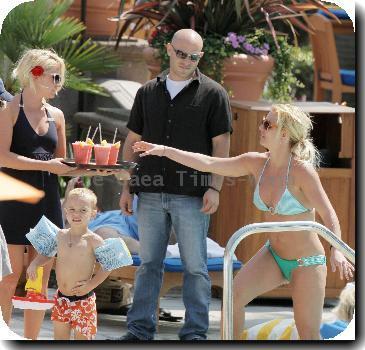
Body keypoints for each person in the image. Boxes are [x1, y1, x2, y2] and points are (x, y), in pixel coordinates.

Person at [131, 103, 354, 340]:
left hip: (306, 262)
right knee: (232, 297)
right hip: (274, 256)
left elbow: (329, 214)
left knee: (308, 334)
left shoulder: (302, 172)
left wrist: (336, 250)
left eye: (267, 124)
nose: (261, 127)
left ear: (285, 134)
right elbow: (208, 163)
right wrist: (165, 150)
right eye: (262, 121)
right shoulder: (256, 162)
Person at [117, 28, 232, 341]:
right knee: (148, 264)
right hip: (149, 191)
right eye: (181, 53)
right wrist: (128, 186)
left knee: (195, 267)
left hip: (193, 194)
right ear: (168, 50)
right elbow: (132, 140)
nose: (186, 61)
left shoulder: (213, 93)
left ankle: (195, 333)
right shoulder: (146, 92)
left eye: (193, 56)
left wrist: (215, 187)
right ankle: (139, 330)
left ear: (201, 57)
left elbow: (221, 145)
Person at [0, 49, 73, 339]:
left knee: (39, 282)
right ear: (34, 74)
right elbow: (2, 158)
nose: (59, 83)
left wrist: (94, 168)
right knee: (9, 278)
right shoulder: (9, 111)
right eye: (55, 77)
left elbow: (62, 164)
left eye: (60, 77)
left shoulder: (57, 115)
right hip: (13, 201)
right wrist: (46, 164)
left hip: (48, 203)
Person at [26, 188, 132, 340]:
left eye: (83, 210)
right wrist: (35, 263)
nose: (76, 214)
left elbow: (108, 265)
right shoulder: (60, 235)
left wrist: (91, 285)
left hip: (83, 300)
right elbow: (46, 253)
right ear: (66, 211)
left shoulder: (93, 240)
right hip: (61, 299)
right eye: (72, 209)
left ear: (93, 213)